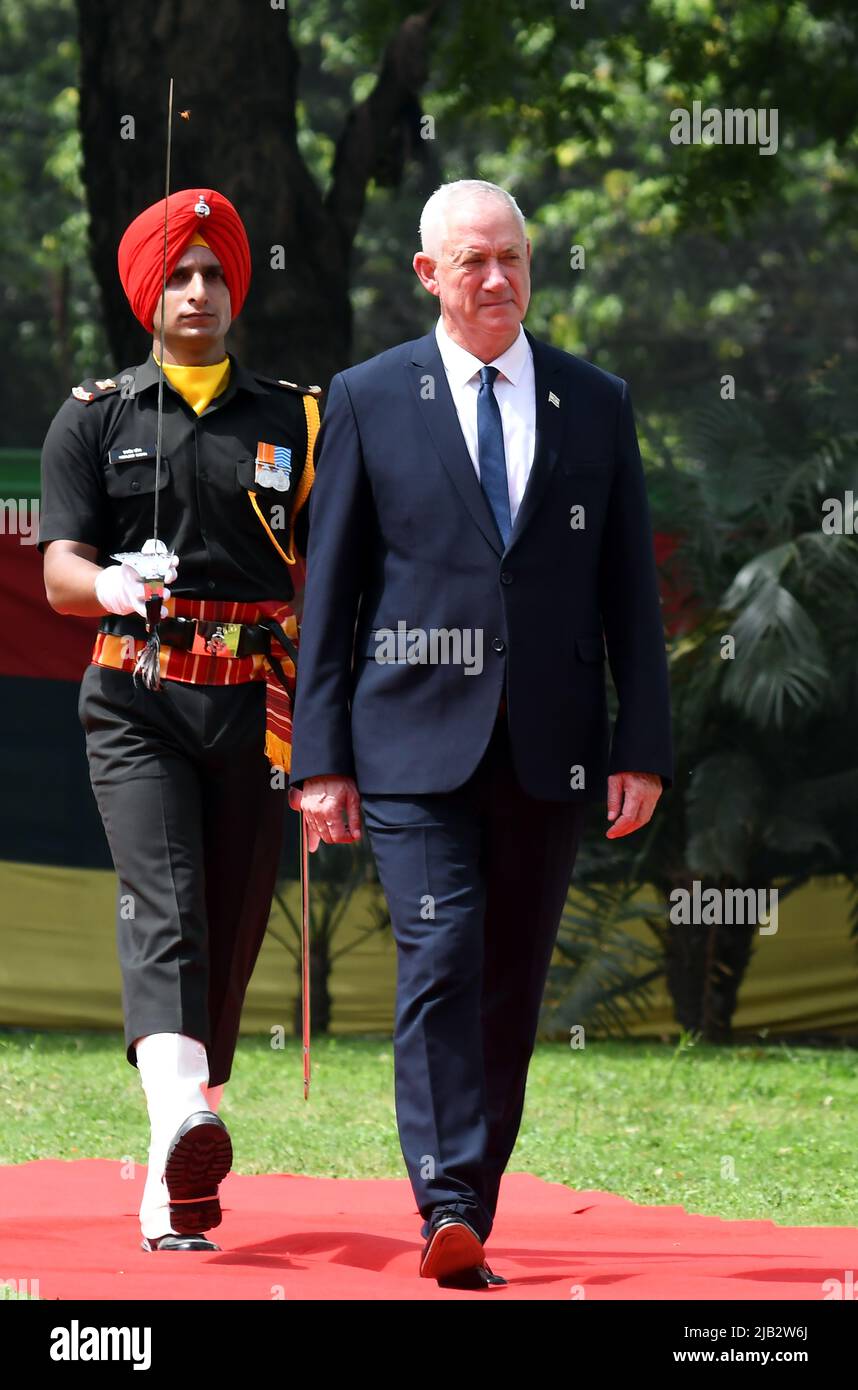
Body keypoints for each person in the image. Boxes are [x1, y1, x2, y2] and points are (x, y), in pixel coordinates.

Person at [288, 179, 673, 1288]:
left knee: (510, 979)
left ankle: (472, 1202)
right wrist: (321, 760)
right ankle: (444, 1202)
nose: (497, 279)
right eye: (473, 262)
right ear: (428, 276)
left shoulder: (595, 402)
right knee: (442, 957)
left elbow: (627, 592)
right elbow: (335, 593)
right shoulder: (368, 398)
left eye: (512, 257)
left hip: (550, 748)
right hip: (409, 745)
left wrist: (638, 741)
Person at [38, 187, 320, 1253]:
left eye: (215, 274)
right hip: (138, 695)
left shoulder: (296, 416)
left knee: (234, 925)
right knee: (165, 904)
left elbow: (331, 569)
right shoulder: (96, 413)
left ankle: (180, 1156)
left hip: (257, 703)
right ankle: (180, 1135)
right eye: (180, 275)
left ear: (236, 286)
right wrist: (111, 582)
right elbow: (59, 566)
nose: (199, 291)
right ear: (147, 292)